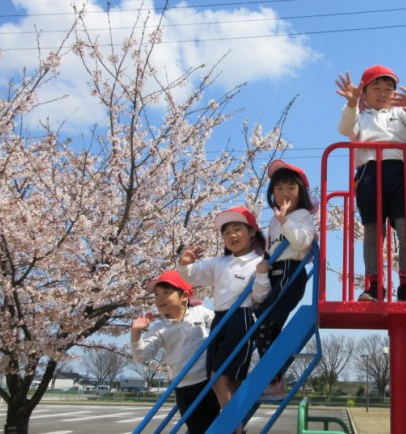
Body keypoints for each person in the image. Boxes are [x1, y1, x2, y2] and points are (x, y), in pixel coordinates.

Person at [335, 64, 406, 302]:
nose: (383, 92)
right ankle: (375, 286)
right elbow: (345, 128)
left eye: (389, 88)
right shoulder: (359, 116)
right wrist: (351, 103)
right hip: (369, 174)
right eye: (376, 87)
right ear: (364, 93)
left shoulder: (400, 115)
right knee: (373, 231)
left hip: (403, 175)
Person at [176, 206, 269, 434]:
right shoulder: (219, 263)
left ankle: (234, 428)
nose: (232, 236)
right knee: (229, 381)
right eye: (227, 233)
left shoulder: (257, 261)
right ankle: (237, 427)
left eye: (238, 229)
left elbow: (260, 296)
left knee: (218, 377)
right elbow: (191, 276)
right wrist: (184, 263)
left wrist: (263, 274)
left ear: (252, 233)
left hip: (242, 318)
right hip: (220, 318)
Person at [254, 159, 318, 398]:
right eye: (278, 188)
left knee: (263, 321)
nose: (284, 193)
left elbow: (302, 242)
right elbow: (272, 247)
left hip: (290, 272)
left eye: (290, 188)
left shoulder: (301, 215)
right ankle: (276, 376)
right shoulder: (273, 219)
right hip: (275, 272)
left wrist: (285, 222)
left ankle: (275, 379)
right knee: (266, 325)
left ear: (301, 192)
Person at [130, 269, 220, 434]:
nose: (160, 298)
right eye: (156, 294)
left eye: (166, 292)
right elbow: (141, 355)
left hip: (210, 380)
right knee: (197, 428)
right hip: (185, 387)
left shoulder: (199, 312)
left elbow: (220, 323)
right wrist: (136, 333)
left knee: (218, 423)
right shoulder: (160, 328)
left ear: (184, 296)